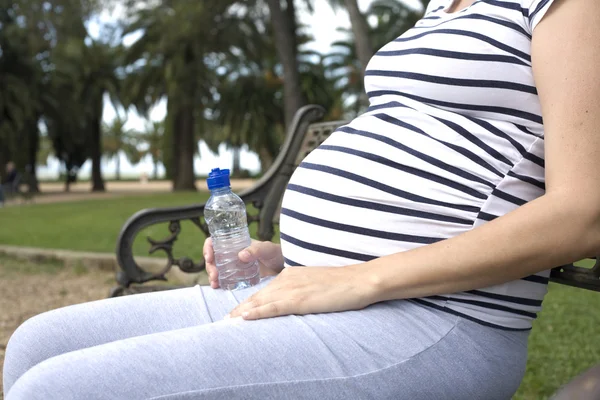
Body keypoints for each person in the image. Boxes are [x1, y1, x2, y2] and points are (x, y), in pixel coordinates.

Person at [3, 0, 599, 398]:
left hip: (437, 318)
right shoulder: (442, 7)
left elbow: (585, 210)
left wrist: (362, 278)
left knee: (54, 391)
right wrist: (289, 258)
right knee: (35, 344)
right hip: (324, 293)